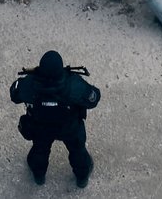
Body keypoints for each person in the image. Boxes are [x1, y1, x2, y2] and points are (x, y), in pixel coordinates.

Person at [10, 50, 100, 188]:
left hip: (41, 127)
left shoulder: (29, 84)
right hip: (69, 128)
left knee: (40, 150)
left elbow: (14, 95)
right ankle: (82, 177)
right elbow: (94, 99)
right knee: (77, 150)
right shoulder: (73, 84)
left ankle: (38, 175)